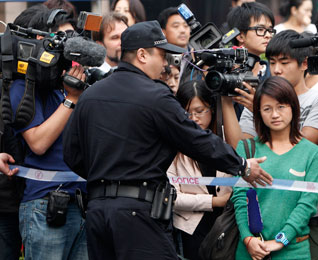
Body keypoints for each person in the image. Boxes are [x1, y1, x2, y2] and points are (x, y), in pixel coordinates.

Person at [63, 20, 272, 260]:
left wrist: (106, 179)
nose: (165, 64)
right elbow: (196, 139)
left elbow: (71, 155)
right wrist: (242, 165)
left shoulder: (90, 95)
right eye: (161, 56)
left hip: (97, 212)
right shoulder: (155, 95)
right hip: (137, 213)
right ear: (142, 54)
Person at [8, 7, 88, 260]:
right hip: (45, 205)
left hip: (82, 202)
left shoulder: (61, 85)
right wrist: (72, 99)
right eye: (60, 40)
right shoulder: (23, 86)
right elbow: (39, 143)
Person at [232, 76, 318, 260]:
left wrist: (281, 240)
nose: (274, 114)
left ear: (293, 107)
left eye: (281, 106)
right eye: (267, 108)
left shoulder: (311, 152)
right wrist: (248, 239)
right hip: (250, 251)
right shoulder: (247, 148)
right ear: (258, 112)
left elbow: (307, 204)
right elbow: (239, 198)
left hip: (293, 251)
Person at [167, 80, 232, 260]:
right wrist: (215, 201)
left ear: (211, 108)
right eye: (187, 113)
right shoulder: (173, 146)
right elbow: (172, 196)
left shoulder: (227, 138)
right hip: (191, 228)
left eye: (199, 111)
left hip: (228, 224)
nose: (194, 118)